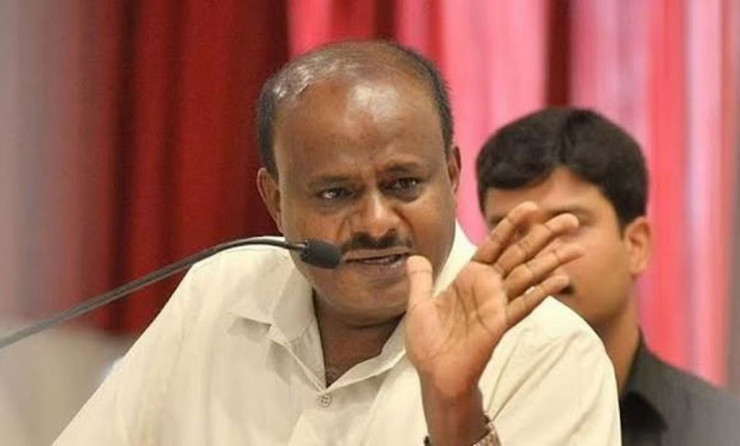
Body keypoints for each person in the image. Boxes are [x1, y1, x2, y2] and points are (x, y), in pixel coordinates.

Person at [56, 42, 620, 445]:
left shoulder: (548, 350)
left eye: (403, 184)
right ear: (276, 201)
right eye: (335, 193)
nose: (375, 222)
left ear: (451, 176)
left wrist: (456, 417)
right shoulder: (222, 288)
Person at [475, 106, 740, 445]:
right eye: (510, 231)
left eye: (566, 225)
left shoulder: (722, 431)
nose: (535, 254)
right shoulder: (457, 419)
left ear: (636, 245)